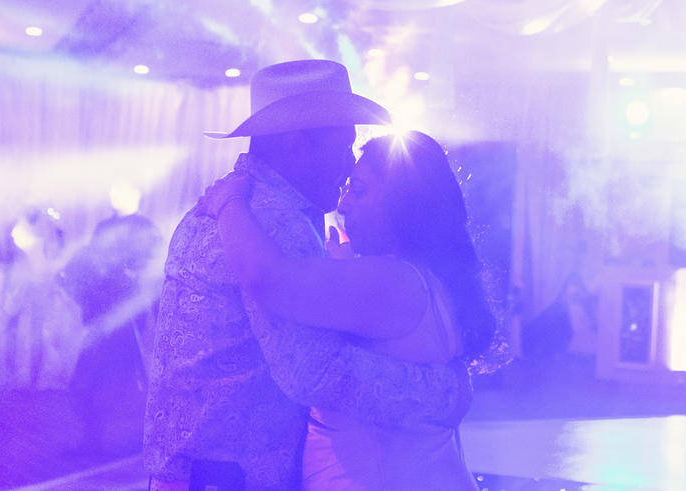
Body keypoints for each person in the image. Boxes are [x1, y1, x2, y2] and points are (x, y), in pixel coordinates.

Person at [143, 60, 472, 491]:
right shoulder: (274, 222)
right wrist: (444, 393)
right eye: (343, 146)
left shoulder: (234, 204)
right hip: (234, 476)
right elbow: (315, 372)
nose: (346, 166)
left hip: (194, 468)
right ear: (300, 143)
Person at [200, 130, 495, 489]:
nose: (342, 205)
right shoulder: (418, 277)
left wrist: (228, 203)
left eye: (358, 190)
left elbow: (270, 280)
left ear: (405, 203)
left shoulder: (393, 280)